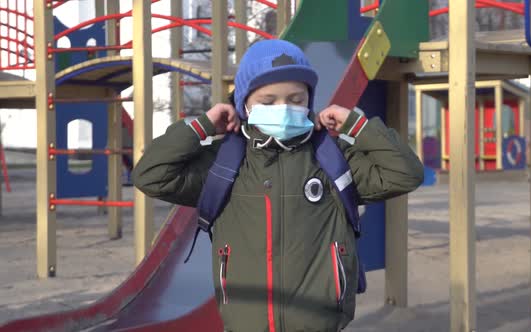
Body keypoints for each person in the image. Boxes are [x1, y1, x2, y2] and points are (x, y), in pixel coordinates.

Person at [132, 39, 423, 332]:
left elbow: (405, 173)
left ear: (309, 100)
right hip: (246, 323)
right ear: (244, 103)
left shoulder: (331, 158)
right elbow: (151, 175)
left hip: (318, 323)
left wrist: (357, 126)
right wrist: (202, 126)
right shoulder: (226, 163)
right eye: (268, 102)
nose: (284, 109)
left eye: (296, 100)